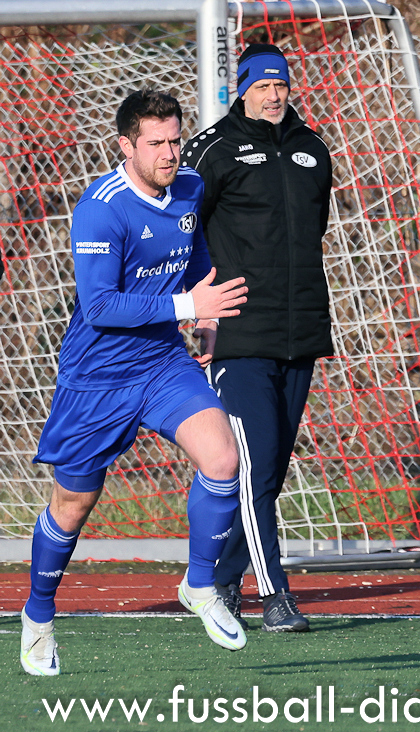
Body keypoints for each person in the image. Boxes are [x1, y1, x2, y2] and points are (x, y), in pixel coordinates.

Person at [21, 89, 250, 676]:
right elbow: (99, 306)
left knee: (223, 458)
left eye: (175, 140)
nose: (170, 153)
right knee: (73, 504)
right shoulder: (101, 207)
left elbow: (195, 260)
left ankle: (200, 585)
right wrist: (187, 305)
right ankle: (38, 615)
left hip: (161, 362)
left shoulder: (190, 186)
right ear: (126, 145)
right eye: (156, 143)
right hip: (97, 375)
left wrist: (206, 314)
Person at [181, 43, 333, 633]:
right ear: (242, 89)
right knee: (249, 467)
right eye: (263, 85)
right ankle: (274, 596)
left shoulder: (313, 148)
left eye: (281, 85)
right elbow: (185, 236)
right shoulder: (211, 150)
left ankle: (218, 579)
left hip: (300, 332)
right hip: (238, 335)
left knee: (268, 472)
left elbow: (312, 231)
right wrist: (200, 315)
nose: (273, 95)